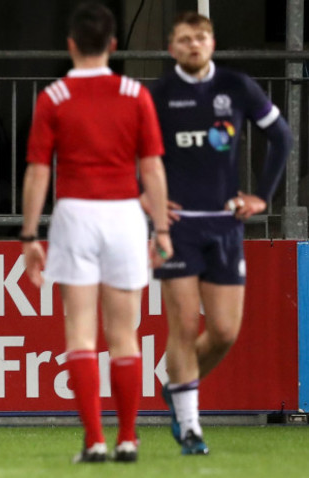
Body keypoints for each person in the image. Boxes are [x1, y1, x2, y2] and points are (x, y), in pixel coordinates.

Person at [21, 1, 172, 464]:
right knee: (125, 334)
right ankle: (128, 437)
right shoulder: (135, 94)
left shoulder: (54, 97)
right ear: (112, 45)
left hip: (75, 217)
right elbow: (152, 168)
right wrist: (161, 228)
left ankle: (94, 441)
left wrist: (29, 236)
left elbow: (37, 172)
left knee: (81, 335)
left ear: (70, 45)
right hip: (126, 215)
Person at [147, 12, 292, 455]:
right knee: (185, 324)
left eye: (202, 38)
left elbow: (282, 138)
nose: (194, 45)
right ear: (172, 48)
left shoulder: (237, 86)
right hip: (178, 226)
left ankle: (177, 388)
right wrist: (144, 199)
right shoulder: (157, 94)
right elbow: (128, 153)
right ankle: (190, 427)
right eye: (185, 39)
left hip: (226, 223)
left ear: (212, 44)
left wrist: (262, 197)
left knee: (226, 331)